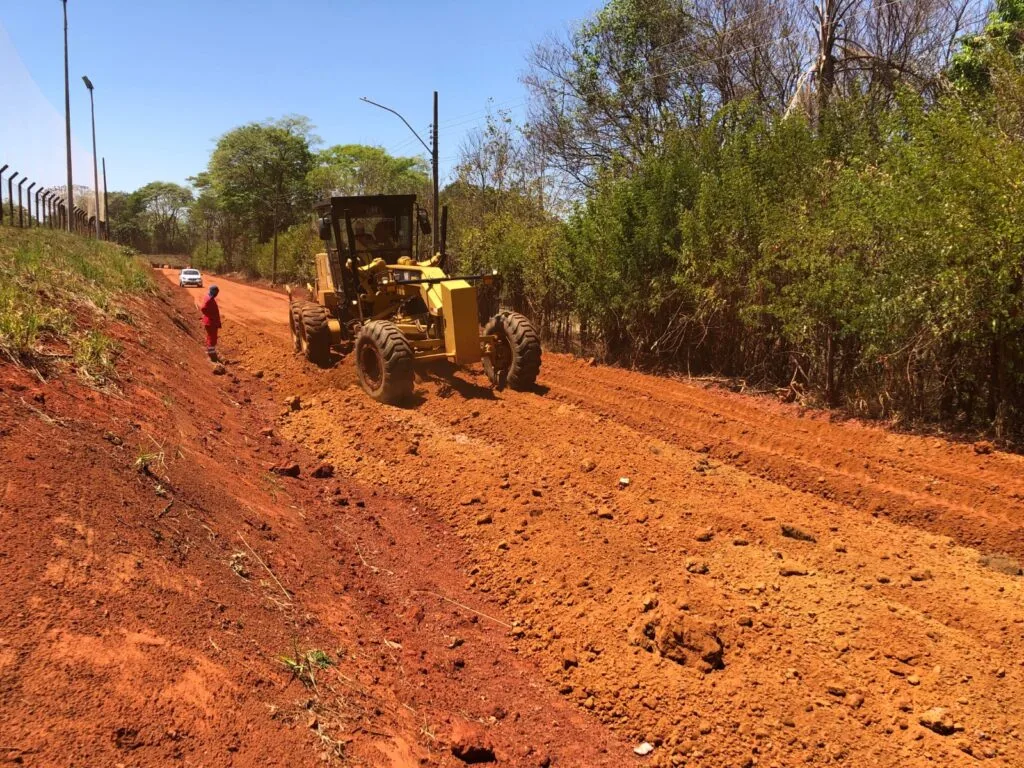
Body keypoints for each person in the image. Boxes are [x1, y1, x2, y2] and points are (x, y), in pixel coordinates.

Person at [201, 285, 222, 361]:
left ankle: (211, 352)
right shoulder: (209, 299)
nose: (217, 294)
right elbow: (203, 308)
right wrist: (211, 317)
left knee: (211, 337)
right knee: (212, 339)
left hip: (211, 322)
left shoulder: (209, 297)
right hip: (211, 323)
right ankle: (212, 355)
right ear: (214, 292)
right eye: (216, 292)